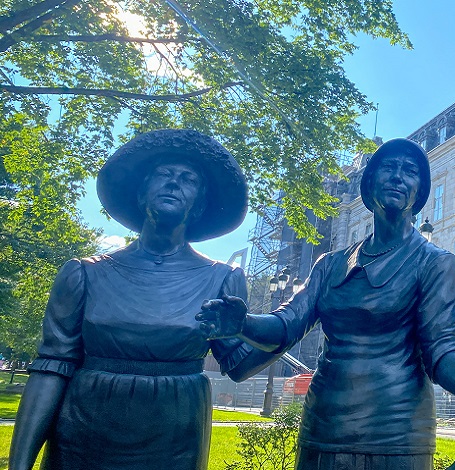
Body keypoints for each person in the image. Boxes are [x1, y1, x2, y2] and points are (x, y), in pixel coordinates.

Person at [198, 138, 455, 470]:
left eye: (410, 171)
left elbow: (441, 351)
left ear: (419, 192)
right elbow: (286, 324)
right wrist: (243, 323)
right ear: (369, 184)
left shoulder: (435, 262)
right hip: (322, 429)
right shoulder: (329, 264)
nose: (398, 177)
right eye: (388, 168)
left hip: (396, 436)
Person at [9, 129, 275, 470]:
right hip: (83, 434)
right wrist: (19, 465)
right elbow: (51, 368)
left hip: (175, 439)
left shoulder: (223, 279)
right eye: (163, 174)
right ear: (140, 194)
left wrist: (290, 320)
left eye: (188, 179)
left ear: (200, 206)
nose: (173, 183)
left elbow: (239, 364)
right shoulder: (84, 273)